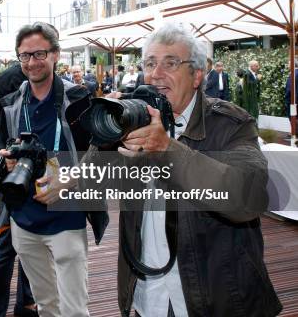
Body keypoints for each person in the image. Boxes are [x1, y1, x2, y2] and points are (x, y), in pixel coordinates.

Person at [79, 23, 281, 316]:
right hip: (148, 298)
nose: (156, 74)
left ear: (197, 74)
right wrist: (107, 131)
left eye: (170, 63)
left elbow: (246, 199)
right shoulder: (134, 122)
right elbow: (90, 184)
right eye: (149, 63)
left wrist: (167, 150)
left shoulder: (232, 125)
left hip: (217, 300)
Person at [0, 22, 107, 317]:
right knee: (46, 306)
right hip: (24, 220)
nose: (31, 62)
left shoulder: (79, 100)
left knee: (74, 310)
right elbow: (0, 150)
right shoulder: (11, 105)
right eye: (25, 56)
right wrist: (6, 162)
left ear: (56, 54)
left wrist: (67, 179)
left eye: (39, 54)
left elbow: (101, 154)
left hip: (66, 219)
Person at [0, 63, 37, 317]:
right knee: (9, 243)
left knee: (28, 238)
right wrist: (15, 135)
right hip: (12, 165)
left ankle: (23, 304)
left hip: (37, 167)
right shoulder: (6, 81)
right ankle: (5, 309)